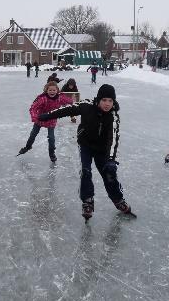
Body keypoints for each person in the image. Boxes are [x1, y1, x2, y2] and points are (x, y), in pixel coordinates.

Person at [38, 84, 132, 220]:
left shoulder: (113, 117)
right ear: (99, 99)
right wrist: (48, 115)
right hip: (86, 145)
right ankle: (87, 200)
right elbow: (67, 109)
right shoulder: (87, 105)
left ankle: (118, 200)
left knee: (109, 174)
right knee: (86, 171)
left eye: (110, 101)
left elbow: (114, 140)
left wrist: (111, 159)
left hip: (102, 150)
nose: (107, 104)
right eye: (104, 100)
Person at [17, 80, 74, 162]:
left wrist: (76, 103)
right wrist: (35, 117)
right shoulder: (42, 99)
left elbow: (71, 101)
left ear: (57, 90)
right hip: (40, 119)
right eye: (50, 90)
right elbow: (33, 108)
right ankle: (28, 146)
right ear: (46, 90)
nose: (52, 92)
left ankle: (52, 153)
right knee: (33, 134)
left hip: (51, 120)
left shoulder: (60, 98)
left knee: (51, 138)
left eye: (54, 90)